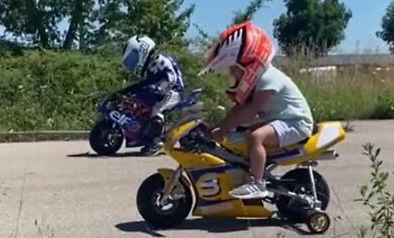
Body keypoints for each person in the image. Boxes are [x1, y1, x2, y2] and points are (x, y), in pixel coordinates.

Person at [198, 21, 314, 199]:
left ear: (249, 63)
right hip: (281, 119)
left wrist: (223, 129)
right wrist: (219, 127)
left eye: (234, 69)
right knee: (242, 134)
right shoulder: (259, 79)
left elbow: (250, 111)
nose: (232, 74)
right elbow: (239, 109)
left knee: (255, 137)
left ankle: (257, 183)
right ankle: (248, 170)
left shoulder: (269, 79)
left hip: (296, 122)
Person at [119, 35, 186, 155]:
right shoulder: (152, 63)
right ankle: (144, 135)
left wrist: (158, 90)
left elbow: (172, 79)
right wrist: (129, 90)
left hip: (174, 90)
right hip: (164, 90)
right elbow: (147, 82)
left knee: (156, 109)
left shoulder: (161, 60)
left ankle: (157, 142)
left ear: (142, 51)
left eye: (134, 56)